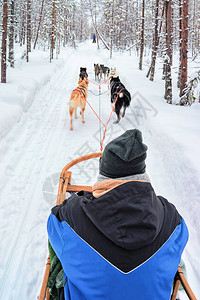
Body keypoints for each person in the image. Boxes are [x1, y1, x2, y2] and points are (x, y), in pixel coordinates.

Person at [47, 129, 189, 300]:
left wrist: (76, 203)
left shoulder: (67, 218)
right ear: (143, 176)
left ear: (103, 178)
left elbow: (53, 226)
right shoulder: (174, 220)